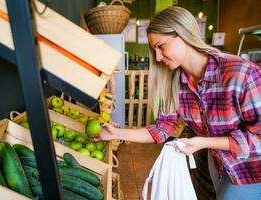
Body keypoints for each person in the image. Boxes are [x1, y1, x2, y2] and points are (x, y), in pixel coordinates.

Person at [98, 6, 261, 200]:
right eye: (154, 50)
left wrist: (203, 142)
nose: (157, 57)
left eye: (161, 46)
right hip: (215, 161)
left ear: (182, 34)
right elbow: (162, 129)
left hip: (249, 169)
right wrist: (115, 133)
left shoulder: (241, 74)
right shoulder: (175, 82)